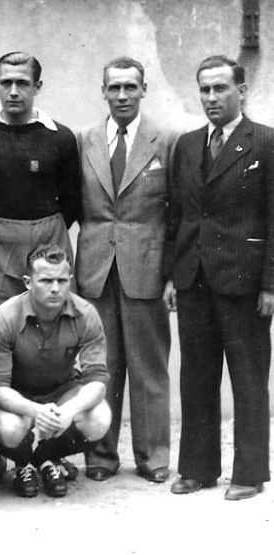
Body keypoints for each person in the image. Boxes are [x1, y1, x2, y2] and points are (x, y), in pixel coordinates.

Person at [164, 55, 273, 501]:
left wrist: (270, 284)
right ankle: (197, 469)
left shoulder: (265, 142)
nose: (211, 97)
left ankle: (250, 473)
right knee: (196, 377)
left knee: (248, 379)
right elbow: (177, 216)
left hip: (244, 282)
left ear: (241, 91)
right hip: (194, 278)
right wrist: (172, 276)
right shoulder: (187, 145)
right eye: (205, 89)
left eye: (220, 88)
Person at [0, 51, 82, 482]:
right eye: (6, 82)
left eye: (23, 82)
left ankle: (50, 452)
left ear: (38, 86)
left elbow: (72, 200)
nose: (14, 90)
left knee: (51, 336)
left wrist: (43, 236)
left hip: (48, 240)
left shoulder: (60, 137)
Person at [75, 57, 174, 483]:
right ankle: (100, 455)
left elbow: (178, 211)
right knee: (102, 364)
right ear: (103, 91)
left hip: (146, 268)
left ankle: (153, 456)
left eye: (130, 87)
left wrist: (171, 274)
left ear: (143, 90)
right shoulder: (84, 140)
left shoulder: (166, 140)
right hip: (96, 268)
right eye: (113, 88)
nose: (121, 96)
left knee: (149, 367)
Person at [0, 244, 111, 499]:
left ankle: (46, 458)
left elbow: (97, 380)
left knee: (98, 418)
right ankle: (23, 463)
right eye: (45, 280)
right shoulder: (6, 316)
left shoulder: (85, 314)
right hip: (17, 394)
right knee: (10, 428)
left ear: (70, 280)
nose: (55, 288)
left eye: (62, 280)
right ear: (27, 282)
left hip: (61, 390)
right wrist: (35, 411)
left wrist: (68, 412)